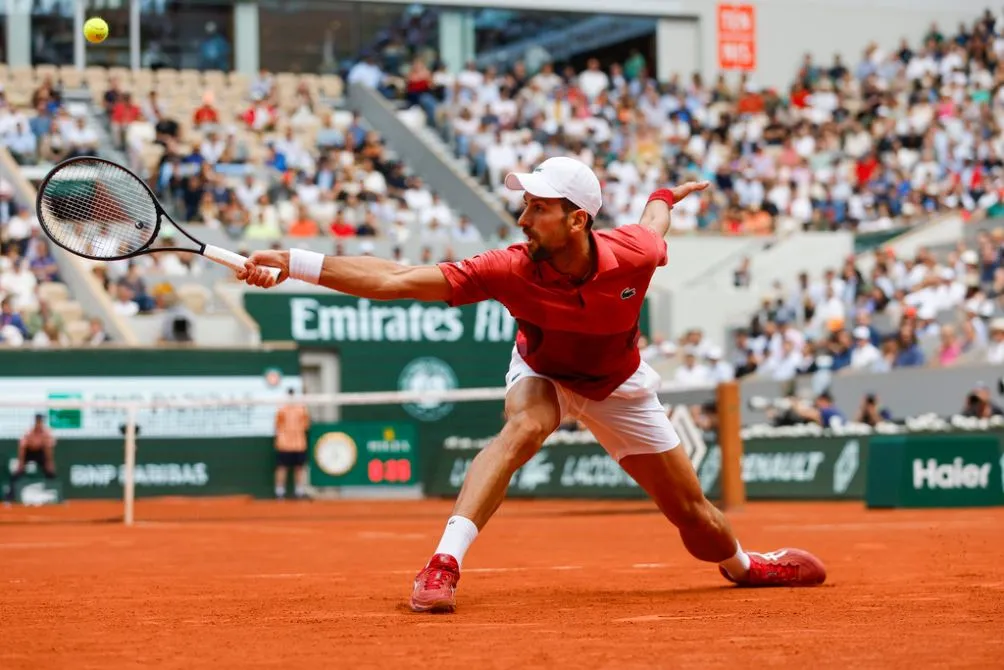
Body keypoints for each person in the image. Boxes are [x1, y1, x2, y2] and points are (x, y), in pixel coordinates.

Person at [237, 156, 826, 613]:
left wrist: (665, 195)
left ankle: (747, 566)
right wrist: (293, 261)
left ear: (577, 218)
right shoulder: (509, 267)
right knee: (524, 427)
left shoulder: (635, 255)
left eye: (537, 208)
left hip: (619, 385)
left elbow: (654, 223)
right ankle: (444, 563)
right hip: (541, 371)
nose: (522, 219)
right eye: (524, 206)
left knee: (695, 518)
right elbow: (395, 278)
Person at [7, 414, 57, 501]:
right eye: (38, 421)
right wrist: (21, 463)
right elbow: (22, 447)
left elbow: (48, 449)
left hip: (40, 452)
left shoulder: (46, 433)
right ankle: (10, 496)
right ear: (36, 422)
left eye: (41, 422)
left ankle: (53, 494)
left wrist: (49, 463)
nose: (39, 423)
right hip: (28, 452)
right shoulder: (29, 432)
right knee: (17, 474)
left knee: (50, 473)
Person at [273, 388, 311, 500]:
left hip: (298, 444)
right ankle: (280, 492)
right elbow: (277, 425)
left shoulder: (301, 409)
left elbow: (306, 425)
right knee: (282, 468)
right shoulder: (282, 409)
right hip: (285, 444)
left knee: (299, 468)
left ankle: (299, 491)